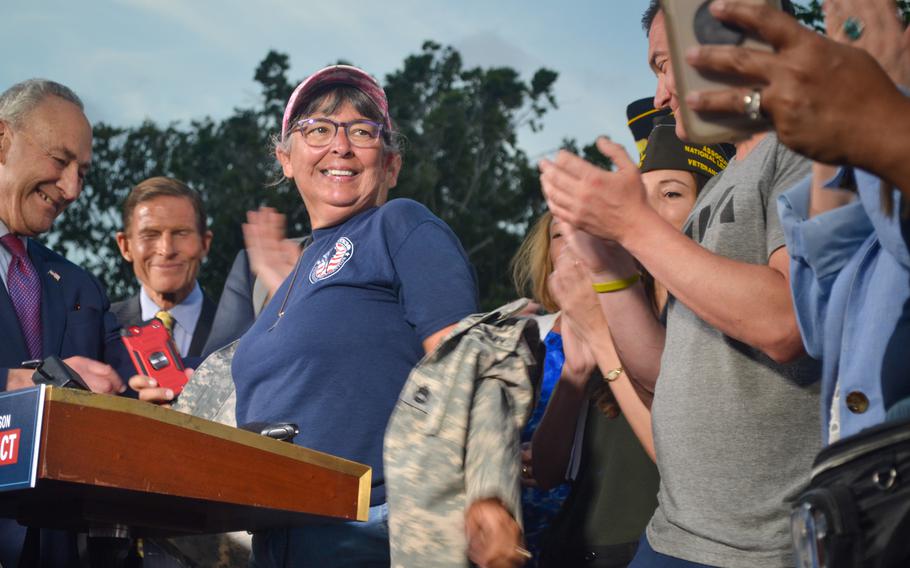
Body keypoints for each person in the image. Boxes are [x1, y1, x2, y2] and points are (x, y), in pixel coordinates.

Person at [133, 65, 480, 566]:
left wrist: (486, 494)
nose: (340, 146)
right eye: (317, 130)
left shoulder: (400, 224)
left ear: (391, 165)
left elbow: (467, 368)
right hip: (278, 536)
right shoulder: (291, 274)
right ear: (286, 159)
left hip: (374, 531)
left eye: (362, 132)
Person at [538, 2, 821, 566]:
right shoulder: (716, 195)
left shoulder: (803, 151)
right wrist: (608, 271)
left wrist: (636, 227)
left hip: (765, 547)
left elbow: (787, 321)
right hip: (674, 533)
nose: (662, 94)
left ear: (737, 43)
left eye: (668, 66)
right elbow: (666, 370)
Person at [683, 0, 910, 441]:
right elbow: (824, 315)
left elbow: (786, 324)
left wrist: (886, 104)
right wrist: (832, 137)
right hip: (864, 484)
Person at [0, 78, 134, 567]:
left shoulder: (81, 288)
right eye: (60, 161)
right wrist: (21, 384)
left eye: (82, 171)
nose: (73, 188)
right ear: (2, 139)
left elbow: (131, 396)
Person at [112, 176, 215, 360]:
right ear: (125, 246)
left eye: (181, 233)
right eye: (150, 235)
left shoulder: (241, 334)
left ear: (205, 244)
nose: (166, 250)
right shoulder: (100, 330)